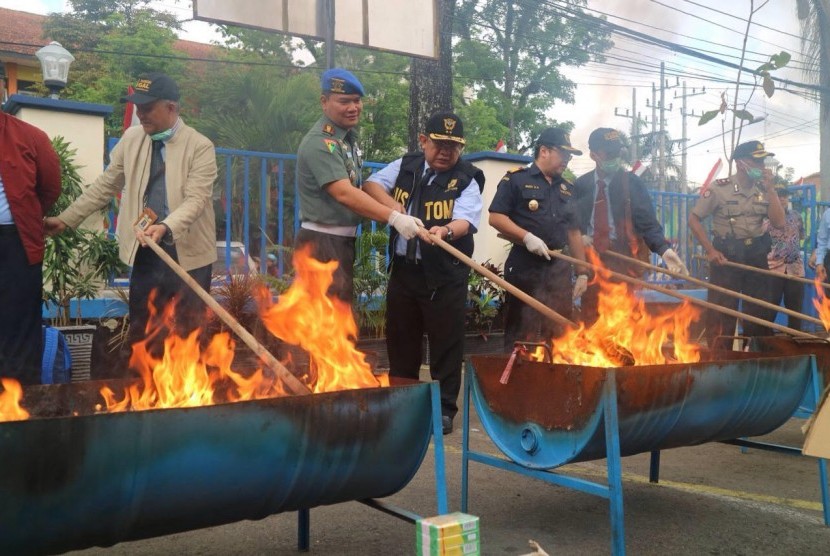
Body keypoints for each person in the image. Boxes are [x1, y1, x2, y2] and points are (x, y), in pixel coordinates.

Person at [44, 72, 218, 356]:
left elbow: (196, 199)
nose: (140, 114)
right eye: (138, 107)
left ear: (171, 107)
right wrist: (66, 219)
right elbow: (105, 185)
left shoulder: (200, 146)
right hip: (145, 249)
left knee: (191, 331)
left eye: (147, 108)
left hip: (189, 253)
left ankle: (189, 394)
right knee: (144, 329)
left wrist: (165, 226)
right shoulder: (132, 138)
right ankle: (145, 389)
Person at [363, 112, 484, 435]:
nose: (446, 152)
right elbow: (372, 185)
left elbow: (467, 221)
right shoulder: (407, 165)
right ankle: (402, 404)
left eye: (453, 147)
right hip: (404, 272)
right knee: (402, 341)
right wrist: (394, 212)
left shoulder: (468, 177)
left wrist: (444, 231)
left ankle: (443, 410)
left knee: (446, 344)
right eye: (439, 144)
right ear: (423, 141)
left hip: (445, 275)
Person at [295, 68, 421, 303]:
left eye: (357, 100)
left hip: (339, 242)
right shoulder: (321, 143)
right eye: (344, 101)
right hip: (322, 244)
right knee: (321, 321)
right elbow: (344, 193)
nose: (353, 107)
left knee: (336, 317)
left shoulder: (345, 139)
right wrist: (393, 217)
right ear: (324, 102)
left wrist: (395, 208)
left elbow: (360, 188)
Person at [573, 127, 688, 325]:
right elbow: (572, 224)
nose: (615, 158)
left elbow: (648, 223)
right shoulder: (581, 185)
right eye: (609, 154)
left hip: (624, 261)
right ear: (593, 155)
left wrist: (664, 250)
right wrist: (581, 237)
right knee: (591, 320)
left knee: (626, 320)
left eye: (618, 153)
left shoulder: (631, 183)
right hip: (592, 259)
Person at [489, 127, 589, 352]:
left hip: (558, 266)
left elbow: (574, 232)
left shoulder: (568, 188)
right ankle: (518, 379)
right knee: (521, 327)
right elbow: (495, 217)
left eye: (570, 156)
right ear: (544, 151)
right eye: (563, 154)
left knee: (560, 329)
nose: (567, 160)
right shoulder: (516, 179)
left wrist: (582, 272)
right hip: (525, 263)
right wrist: (527, 237)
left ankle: (556, 378)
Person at [688, 140, 785, 344]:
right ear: (741, 163)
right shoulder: (719, 189)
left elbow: (779, 222)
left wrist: (771, 190)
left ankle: (758, 359)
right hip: (727, 257)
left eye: (763, 162)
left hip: (756, 256)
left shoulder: (763, 190)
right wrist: (710, 250)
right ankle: (720, 360)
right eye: (757, 161)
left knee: (759, 312)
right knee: (722, 313)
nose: (762, 167)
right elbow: (694, 219)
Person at [0, 112, 61, 384]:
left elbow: (50, 187)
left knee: (20, 322)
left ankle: (22, 403)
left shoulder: (30, 136)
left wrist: (26, 217)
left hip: (16, 241)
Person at [764, 186, 805, 331]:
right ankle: (766, 342)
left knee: (795, 310)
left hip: (795, 269)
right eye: (779, 196)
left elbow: (801, 236)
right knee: (769, 308)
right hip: (773, 269)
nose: (782, 199)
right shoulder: (766, 218)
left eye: (785, 196)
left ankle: (795, 340)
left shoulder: (797, 216)